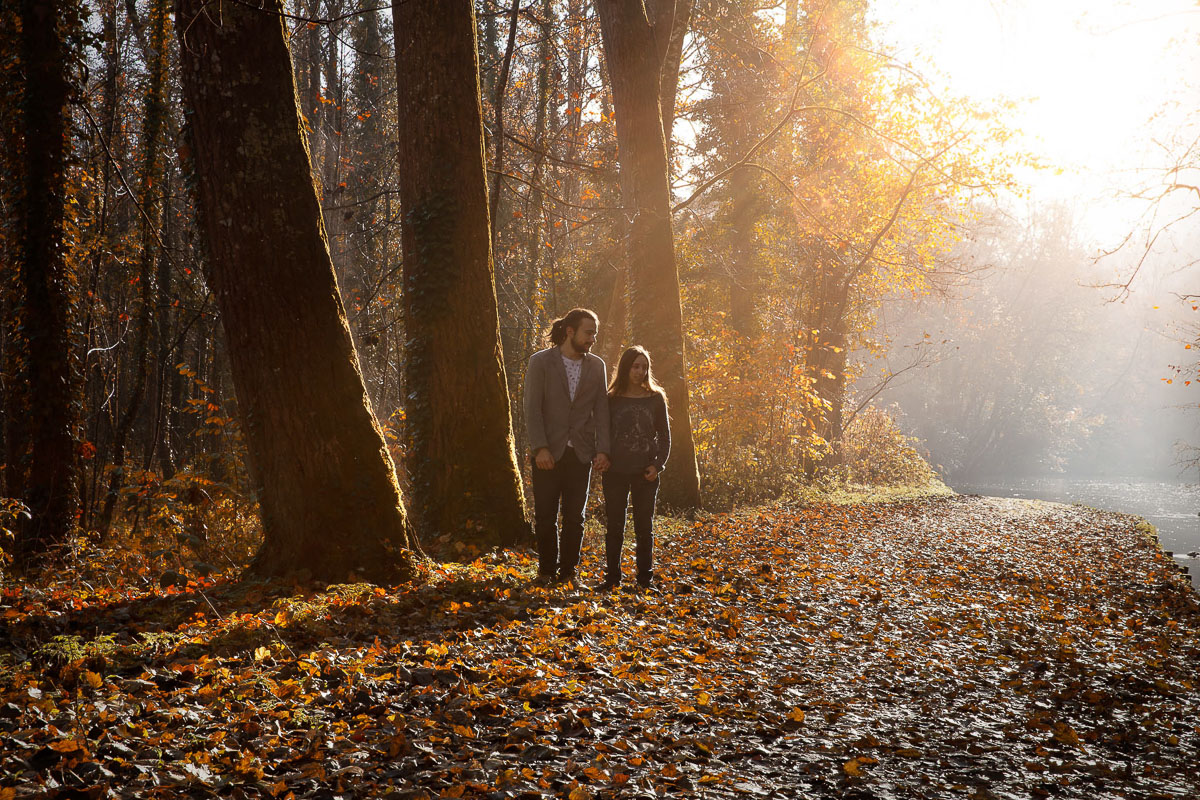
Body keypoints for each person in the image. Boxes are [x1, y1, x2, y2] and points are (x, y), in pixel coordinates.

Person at [523, 308, 611, 585]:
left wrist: (603, 450)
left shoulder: (597, 366)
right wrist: (540, 447)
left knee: (575, 517)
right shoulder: (541, 362)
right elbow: (531, 408)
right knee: (545, 516)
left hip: (581, 452)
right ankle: (546, 572)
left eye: (594, 334)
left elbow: (602, 410)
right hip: (548, 452)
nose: (592, 339)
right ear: (570, 331)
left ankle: (568, 573)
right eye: (588, 333)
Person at [597, 345, 670, 591]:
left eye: (644, 367)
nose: (640, 371)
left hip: (645, 473)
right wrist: (602, 456)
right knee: (615, 526)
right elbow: (602, 432)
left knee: (644, 528)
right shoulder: (611, 398)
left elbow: (665, 437)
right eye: (635, 366)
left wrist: (657, 465)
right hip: (615, 471)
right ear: (626, 367)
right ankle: (612, 579)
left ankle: (645, 580)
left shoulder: (655, 398)